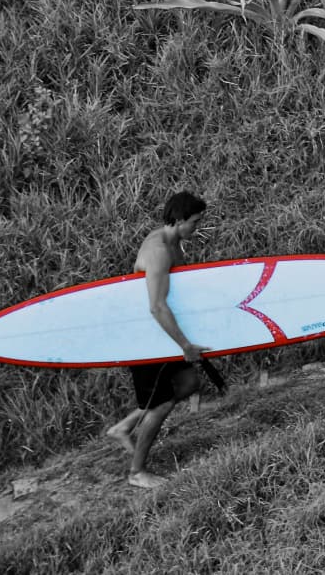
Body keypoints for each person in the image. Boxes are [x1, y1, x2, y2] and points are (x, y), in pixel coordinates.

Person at [106, 191, 211, 488]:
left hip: (162, 329)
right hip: (143, 335)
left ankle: (124, 427)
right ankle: (137, 472)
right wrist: (186, 345)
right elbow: (156, 306)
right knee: (160, 406)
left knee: (190, 384)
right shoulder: (158, 251)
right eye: (195, 222)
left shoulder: (173, 241)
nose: (197, 227)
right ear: (178, 220)